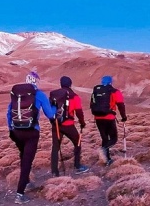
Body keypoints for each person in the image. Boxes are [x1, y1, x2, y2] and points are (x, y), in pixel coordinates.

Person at [7, 71, 56, 204]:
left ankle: (27, 181)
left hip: (16, 131)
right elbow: (50, 114)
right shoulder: (39, 94)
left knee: (23, 156)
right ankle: (20, 194)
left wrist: (11, 129)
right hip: (31, 132)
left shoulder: (17, 94)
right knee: (27, 161)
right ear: (37, 82)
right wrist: (55, 108)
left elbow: (9, 112)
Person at [50, 76, 90, 176]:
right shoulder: (74, 96)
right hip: (68, 125)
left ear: (61, 84)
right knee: (77, 143)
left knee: (55, 147)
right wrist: (82, 122)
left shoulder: (54, 95)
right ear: (70, 84)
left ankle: (54, 172)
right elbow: (79, 112)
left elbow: (50, 110)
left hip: (56, 125)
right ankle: (77, 166)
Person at [91, 75, 127, 166]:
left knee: (104, 138)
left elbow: (92, 104)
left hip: (98, 118)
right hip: (109, 118)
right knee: (114, 139)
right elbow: (121, 105)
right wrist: (124, 117)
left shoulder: (96, 91)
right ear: (111, 82)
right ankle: (103, 150)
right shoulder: (115, 92)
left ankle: (107, 160)